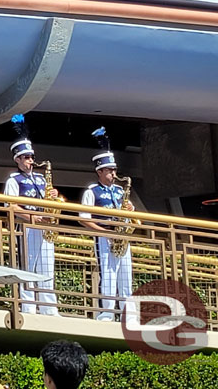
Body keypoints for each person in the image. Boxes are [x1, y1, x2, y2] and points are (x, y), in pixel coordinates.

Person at [3, 114, 60, 315]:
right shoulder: (14, 179)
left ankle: (48, 306)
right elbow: (11, 205)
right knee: (27, 266)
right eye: (26, 157)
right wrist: (32, 218)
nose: (31, 161)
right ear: (17, 159)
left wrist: (54, 197)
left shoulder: (41, 179)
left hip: (43, 228)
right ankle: (28, 306)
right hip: (26, 227)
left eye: (32, 157)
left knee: (46, 267)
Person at [79, 127, 135, 321]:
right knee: (108, 274)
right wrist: (105, 233)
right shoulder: (92, 191)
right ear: (99, 171)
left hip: (123, 237)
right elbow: (84, 217)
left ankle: (128, 313)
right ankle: (107, 312)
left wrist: (130, 213)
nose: (113, 173)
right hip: (105, 237)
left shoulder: (120, 190)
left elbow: (133, 214)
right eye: (110, 170)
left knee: (126, 275)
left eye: (114, 170)